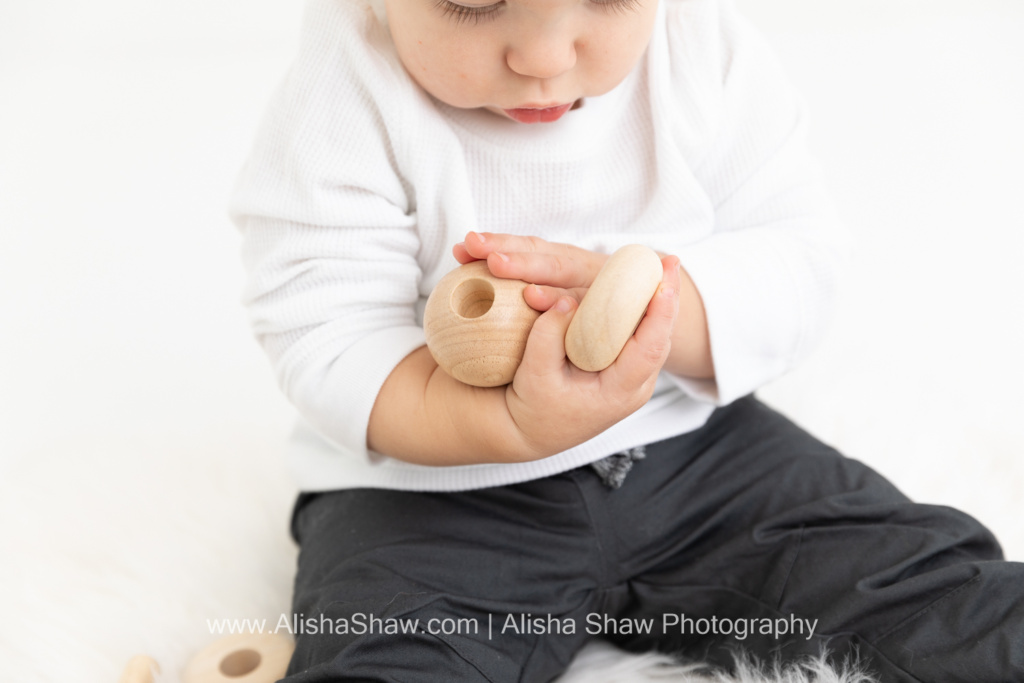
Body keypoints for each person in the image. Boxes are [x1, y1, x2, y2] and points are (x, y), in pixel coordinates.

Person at [229, 0, 1023, 679]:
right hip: (427, 490)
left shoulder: (696, 45)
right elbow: (322, 328)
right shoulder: (345, 84)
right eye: (470, 0)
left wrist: (656, 311)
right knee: (398, 651)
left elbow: (799, 256)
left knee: (927, 590)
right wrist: (493, 424)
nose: (542, 56)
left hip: (698, 454)